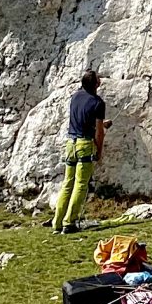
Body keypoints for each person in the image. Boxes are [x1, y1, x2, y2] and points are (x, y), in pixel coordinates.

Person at [52, 69, 107, 234]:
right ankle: (70, 222)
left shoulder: (75, 97)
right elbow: (98, 132)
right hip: (84, 144)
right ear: (96, 84)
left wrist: (103, 124)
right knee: (81, 184)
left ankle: (57, 222)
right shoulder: (98, 103)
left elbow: (83, 120)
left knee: (67, 183)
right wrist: (99, 150)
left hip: (71, 143)